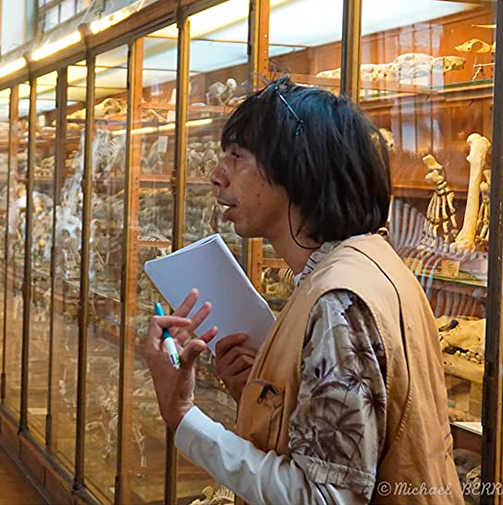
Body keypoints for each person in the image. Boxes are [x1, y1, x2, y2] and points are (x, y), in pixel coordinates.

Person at [144, 78, 463, 505]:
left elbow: (324, 499)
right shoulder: (371, 262)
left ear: (297, 169)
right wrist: (271, 404)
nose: (217, 177)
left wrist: (183, 415)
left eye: (237, 158)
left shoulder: (339, 301)